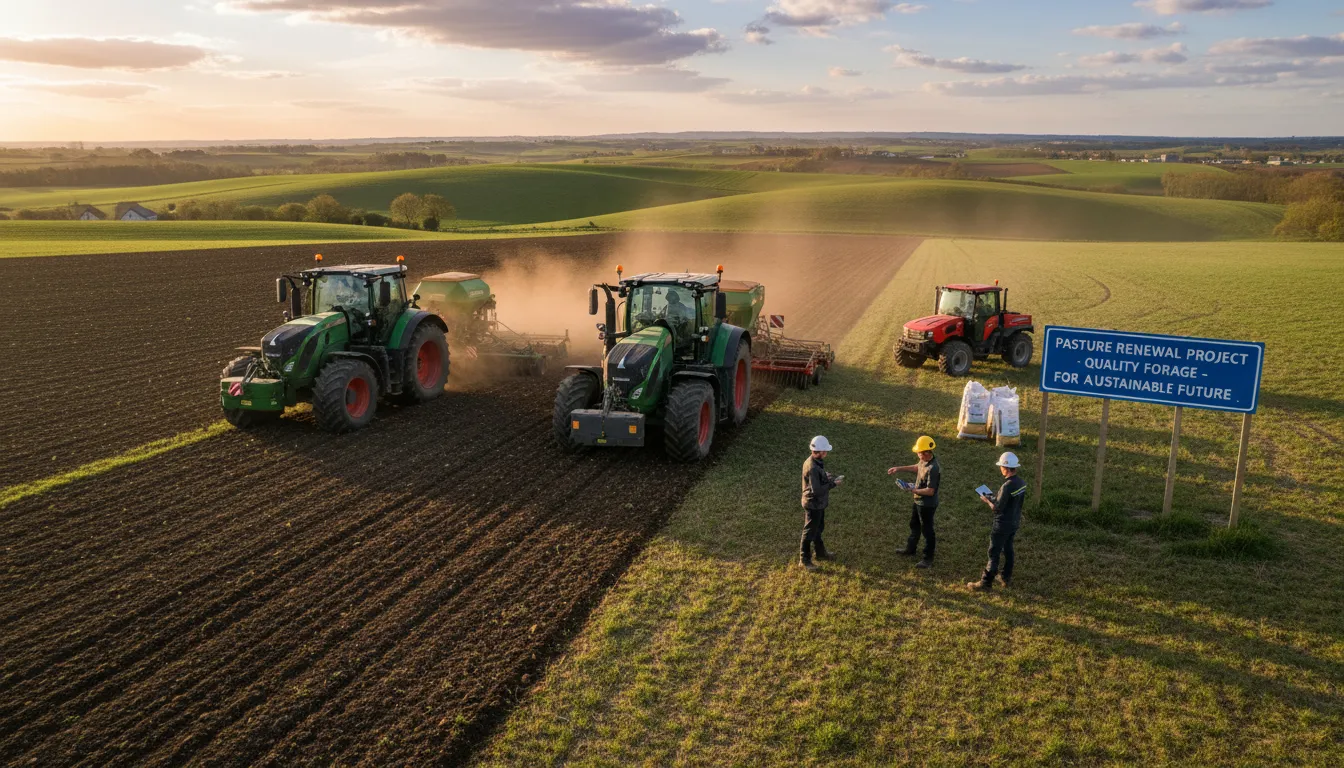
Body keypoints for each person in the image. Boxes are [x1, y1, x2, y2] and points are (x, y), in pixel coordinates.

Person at [968, 452, 1027, 591]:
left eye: (1001, 466)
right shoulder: (1021, 483)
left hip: (1002, 524)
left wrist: (987, 500)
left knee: (994, 552)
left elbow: (997, 508)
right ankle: (1006, 577)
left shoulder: (1007, 486)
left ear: (1006, 468)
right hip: (1014, 522)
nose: (1000, 468)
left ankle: (985, 582)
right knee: (1008, 549)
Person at [887, 435, 940, 568]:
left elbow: (930, 491)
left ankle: (928, 558)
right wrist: (899, 468)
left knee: (927, 530)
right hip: (918, 502)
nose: (918, 455)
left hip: (927, 504)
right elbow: (917, 467)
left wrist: (913, 490)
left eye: (919, 453)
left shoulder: (933, 468)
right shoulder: (923, 462)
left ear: (927, 453)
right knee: (914, 525)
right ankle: (910, 549)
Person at [800, 435, 843, 571]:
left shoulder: (815, 461)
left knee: (818, 529)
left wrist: (825, 476)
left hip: (818, 504)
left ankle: (820, 553)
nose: (827, 453)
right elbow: (817, 490)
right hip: (814, 504)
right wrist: (833, 483)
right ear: (820, 451)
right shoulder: (812, 466)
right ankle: (804, 560)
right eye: (825, 451)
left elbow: (816, 480)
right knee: (809, 532)